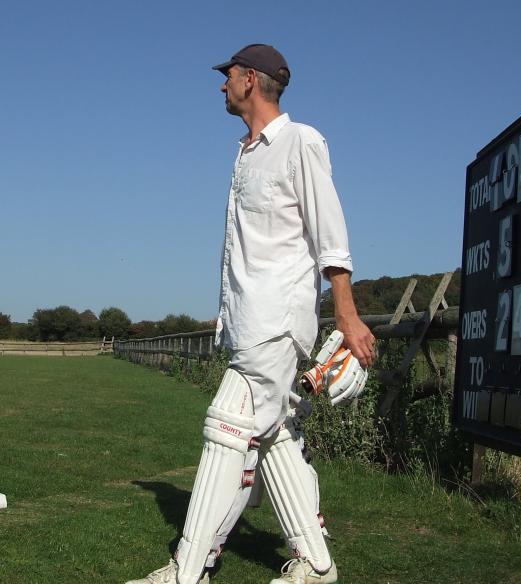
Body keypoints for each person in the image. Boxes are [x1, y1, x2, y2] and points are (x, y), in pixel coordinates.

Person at [127, 43, 375, 584]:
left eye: (229, 75)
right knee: (274, 434)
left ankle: (187, 571)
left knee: (228, 426)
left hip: (277, 320)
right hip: (247, 323)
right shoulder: (245, 154)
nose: (222, 85)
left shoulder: (300, 141)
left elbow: (329, 231)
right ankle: (316, 565)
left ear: (252, 80)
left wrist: (347, 313)